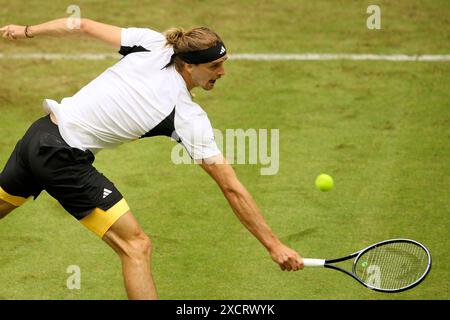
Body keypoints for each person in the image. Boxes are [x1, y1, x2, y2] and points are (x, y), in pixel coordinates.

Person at [0, 17, 304, 300]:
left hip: (37, 136)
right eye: (214, 66)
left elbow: (80, 24)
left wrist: (25, 30)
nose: (222, 72)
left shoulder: (152, 43)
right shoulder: (185, 116)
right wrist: (274, 245)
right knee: (136, 246)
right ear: (188, 65)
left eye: (223, 64)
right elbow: (231, 187)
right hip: (61, 158)